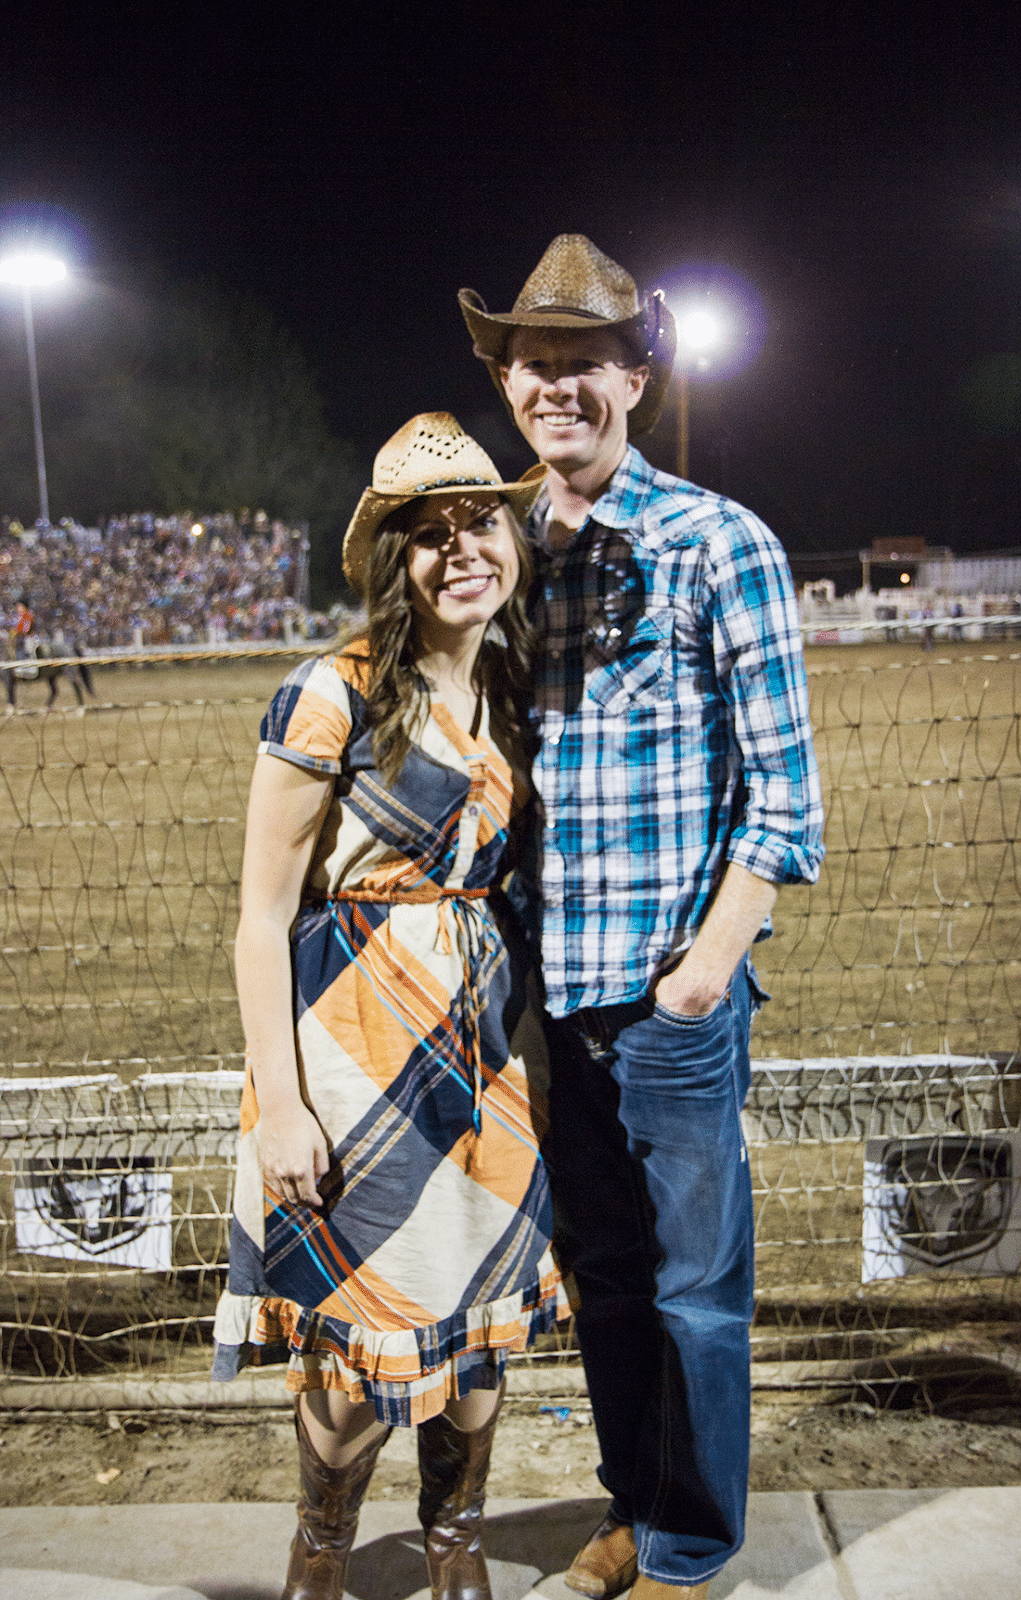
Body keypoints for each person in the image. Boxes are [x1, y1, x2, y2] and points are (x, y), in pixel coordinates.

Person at [459, 236, 825, 1600]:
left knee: (690, 1295)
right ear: (508, 387)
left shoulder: (716, 543)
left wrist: (699, 973)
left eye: (579, 365)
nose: (553, 388)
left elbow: (783, 802)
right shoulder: (505, 553)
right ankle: (632, 1506)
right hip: (546, 1002)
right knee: (603, 1284)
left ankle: (687, 1546)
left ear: (632, 375)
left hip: (666, 997)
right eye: (530, 366)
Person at [212, 413, 566, 1600]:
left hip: (485, 1063)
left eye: (482, 525)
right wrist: (279, 1108)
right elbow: (261, 917)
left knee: (473, 1338)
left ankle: (453, 1540)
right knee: (353, 1361)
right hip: (351, 1063)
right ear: (391, 561)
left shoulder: (515, 693)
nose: (463, 549)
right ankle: (322, 1552)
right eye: (431, 535)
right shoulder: (332, 692)